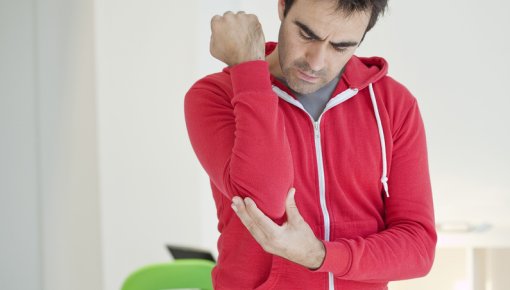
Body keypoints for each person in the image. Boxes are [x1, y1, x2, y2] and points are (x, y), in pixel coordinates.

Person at [184, 0, 437, 289]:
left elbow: (418, 248)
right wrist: (248, 70)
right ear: (282, 7)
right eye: (306, 34)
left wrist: (319, 255)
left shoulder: (392, 105)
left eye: (340, 46)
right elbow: (263, 200)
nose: (316, 62)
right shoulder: (217, 95)